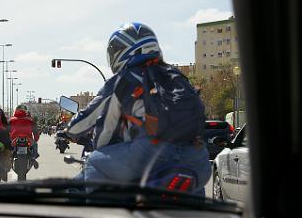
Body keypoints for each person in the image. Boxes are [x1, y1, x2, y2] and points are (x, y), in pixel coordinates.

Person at [65, 22, 211, 196]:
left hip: (151, 157)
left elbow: (91, 122)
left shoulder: (123, 79)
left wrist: (69, 132)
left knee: (94, 161)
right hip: (198, 158)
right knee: (193, 188)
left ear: (123, 51)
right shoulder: (177, 77)